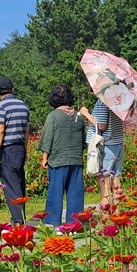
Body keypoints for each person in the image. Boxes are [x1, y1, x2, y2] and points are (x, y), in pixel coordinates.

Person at [38, 84, 87, 227]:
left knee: (55, 192)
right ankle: (75, 223)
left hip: (58, 160)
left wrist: (44, 157)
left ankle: (53, 221)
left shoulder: (53, 116)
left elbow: (48, 138)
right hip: (76, 159)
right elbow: (83, 140)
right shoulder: (79, 117)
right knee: (75, 193)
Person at [0, 77, 29, 225]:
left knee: (10, 184)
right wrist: (25, 149)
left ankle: (18, 221)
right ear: (12, 90)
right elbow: (26, 130)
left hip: (7, 149)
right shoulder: (23, 105)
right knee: (19, 182)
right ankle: (21, 216)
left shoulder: (0, 106)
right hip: (19, 147)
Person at [86, 96, 125, 210]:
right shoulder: (118, 100)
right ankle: (118, 213)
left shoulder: (103, 101)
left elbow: (102, 126)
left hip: (107, 146)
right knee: (116, 181)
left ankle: (105, 215)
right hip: (118, 143)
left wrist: (86, 114)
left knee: (105, 183)